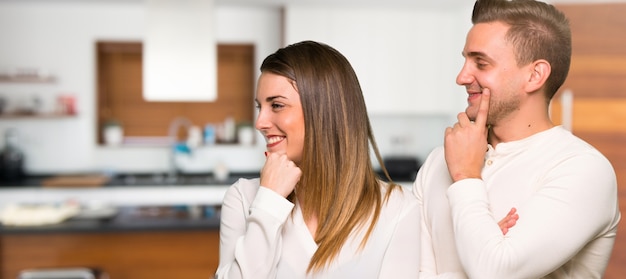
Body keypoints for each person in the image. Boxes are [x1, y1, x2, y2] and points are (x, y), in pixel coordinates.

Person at [413, 0, 621, 278]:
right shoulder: (439, 160)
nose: (462, 76)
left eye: (481, 63)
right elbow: (407, 268)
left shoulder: (583, 169)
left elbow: (494, 270)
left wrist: (466, 178)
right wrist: (483, 244)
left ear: (535, 75)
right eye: (464, 60)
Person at [215, 40, 421, 279]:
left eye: (277, 105)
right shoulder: (243, 199)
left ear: (324, 111)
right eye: (260, 107)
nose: (260, 123)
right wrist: (269, 202)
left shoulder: (397, 209)